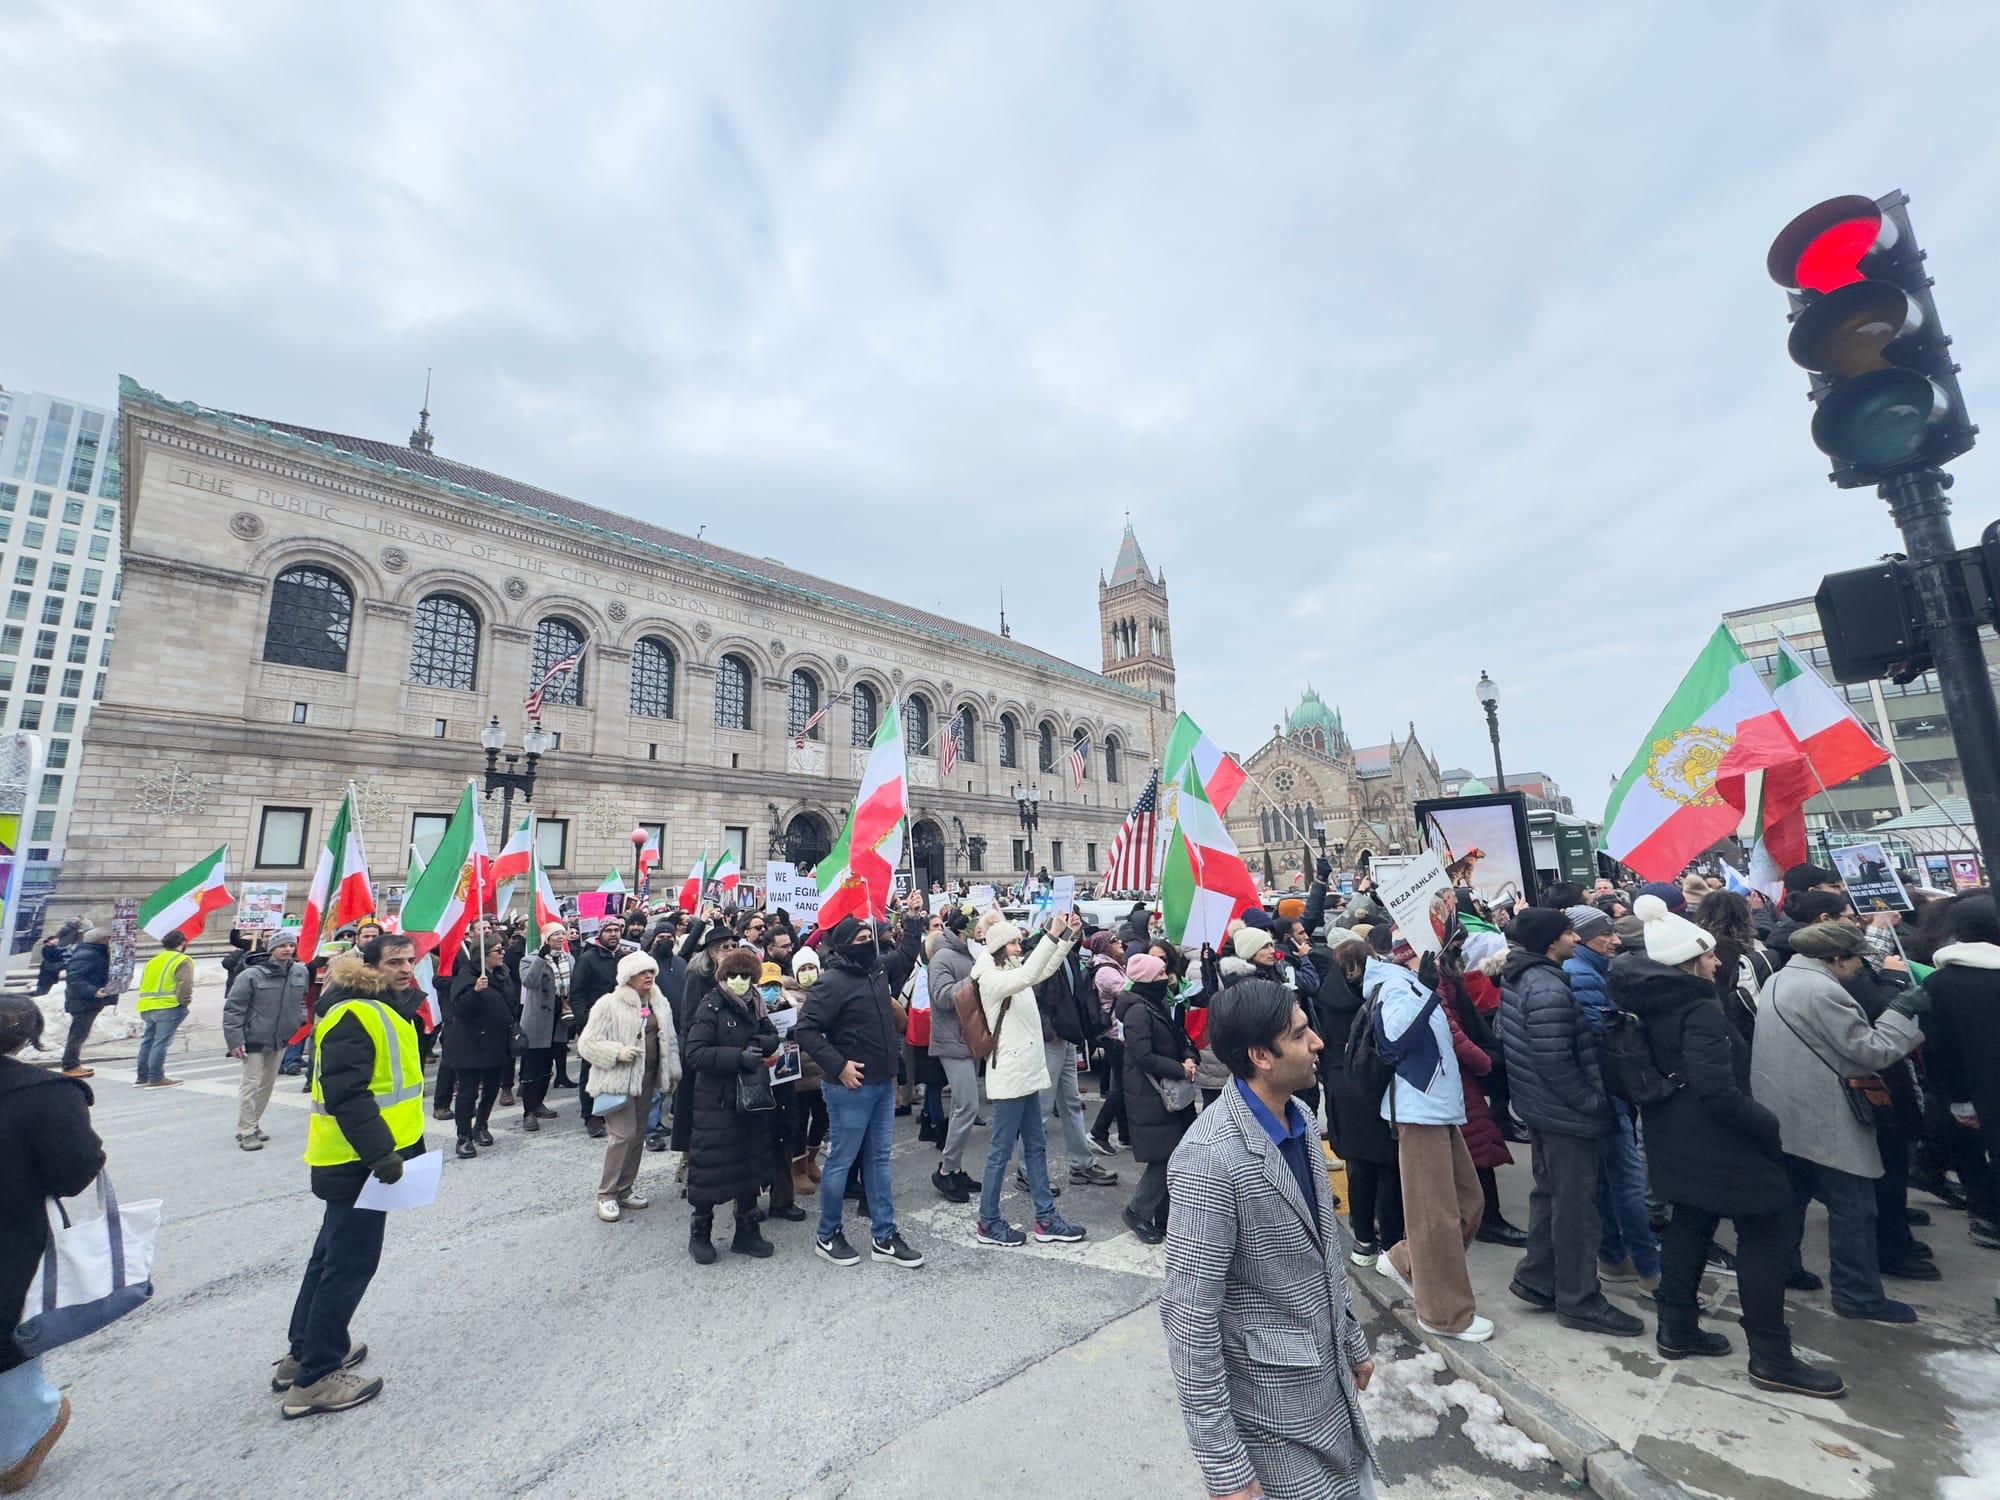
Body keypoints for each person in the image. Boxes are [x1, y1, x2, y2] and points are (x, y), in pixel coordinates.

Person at [1609, 896, 1844, 1397]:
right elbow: (1717, 1090)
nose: (1718, 961)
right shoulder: (1697, 1009)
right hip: (1720, 1141)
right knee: (1765, 1233)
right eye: (1710, 955)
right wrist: (1766, 1124)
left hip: (1675, 1134)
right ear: (1690, 962)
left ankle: (1676, 1329)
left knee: (1690, 1225)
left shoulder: (1649, 1000)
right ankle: (1771, 1356)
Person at [1161, 979, 1379, 1500]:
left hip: (1331, 1393)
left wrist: (1350, 1341)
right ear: (1261, 1056)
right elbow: (1190, 1321)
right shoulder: (1208, 1159)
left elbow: (1324, 1253)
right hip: (1271, 1421)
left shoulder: (1300, 1117)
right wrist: (1225, 1469)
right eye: (1301, 1034)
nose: (1317, 1043)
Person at [275, 936, 425, 1418]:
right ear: (370, 967)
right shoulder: (354, 1012)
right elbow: (348, 1093)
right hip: (359, 1159)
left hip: (364, 1155)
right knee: (349, 1263)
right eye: (394, 962)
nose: (405, 969)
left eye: (410, 960)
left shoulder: (378, 1006)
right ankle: (315, 1378)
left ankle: (304, 1352)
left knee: (329, 1256)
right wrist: (383, 1154)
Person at [1752, 919, 1926, 1323]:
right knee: (1855, 1208)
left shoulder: (1782, 978)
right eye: (1855, 961)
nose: (1859, 969)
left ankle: (1783, 1270)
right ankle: (1857, 1294)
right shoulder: (1822, 990)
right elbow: (1872, 1050)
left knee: (1792, 1200)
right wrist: (1900, 1010)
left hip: (1787, 1110)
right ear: (1835, 958)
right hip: (1824, 1114)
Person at [1500, 907, 1641, 1337]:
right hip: (1564, 1114)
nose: (1576, 940)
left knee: (1550, 1194)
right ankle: (1580, 1299)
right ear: (1549, 942)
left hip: (1542, 1109)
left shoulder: (1526, 975)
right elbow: (1555, 1060)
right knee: (1577, 1207)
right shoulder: (1545, 987)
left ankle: (1538, 1277)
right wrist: (1592, 1102)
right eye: (1568, 934)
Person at [0, 996, 104, 1491]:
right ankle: (22, 1436)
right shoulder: (45, 1094)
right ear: (26, 1038)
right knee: (9, 1331)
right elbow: (74, 1172)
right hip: (10, 1239)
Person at [1367, 935, 1491, 1342]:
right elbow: (1394, 1041)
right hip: (1418, 1112)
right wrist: (1423, 987)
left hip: (1437, 1109)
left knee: (1468, 1201)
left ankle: (1405, 1259)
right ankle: (1443, 1314)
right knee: (1434, 1215)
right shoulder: (1394, 986)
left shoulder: (1415, 984)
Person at [796, 915, 927, 1269]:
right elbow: (805, 1029)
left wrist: (913, 919)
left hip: (882, 1082)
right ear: (843, 945)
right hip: (849, 1088)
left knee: (879, 1161)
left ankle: (884, 1236)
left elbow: (904, 955)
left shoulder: (876, 970)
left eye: (871, 935)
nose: (869, 942)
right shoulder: (832, 982)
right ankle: (828, 1234)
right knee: (840, 1161)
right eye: (861, 937)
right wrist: (838, 1065)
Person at [971, 913, 1089, 1248]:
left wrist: (1066, 937)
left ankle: (1046, 1217)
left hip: (1024, 1072)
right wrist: (1052, 936)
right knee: (1000, 1150)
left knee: (1036, 1147)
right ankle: (988, 1221)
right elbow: (1030, 973)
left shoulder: (1008, 969)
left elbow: (1043, 970)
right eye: (1013, 942)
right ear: (997, 947)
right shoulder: (990, 978)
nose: (1019, 946)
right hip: (1010, 1075)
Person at [1563, 904, 1661, 1292]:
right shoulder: (1581, 975)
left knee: (1609, 1180)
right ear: (1583, 936)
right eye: (1606, 932)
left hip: (1601, 1093)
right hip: (1606, 1093)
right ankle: (1649, 1268)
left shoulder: (1590, 970)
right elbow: (1603, 1041)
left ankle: (1615, 1256)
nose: (1615, 939)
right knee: (1627, 1180)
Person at [681, 947, 782, 1261]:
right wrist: (736, 1057)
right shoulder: (710, 1004)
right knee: (711, 1168)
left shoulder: (756, 1004)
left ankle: (747, 1232)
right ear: (723, 976)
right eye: (734, 975)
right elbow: (695, 1053)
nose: (740, 981)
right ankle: (700, 1234)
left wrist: (757, 1044)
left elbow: (771, 1035)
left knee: (749, 1164)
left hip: (749, 1100)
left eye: (746, 976)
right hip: (717, 1102)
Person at [1922, 895, 2000, 1250]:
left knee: (1973, 1157)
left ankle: (1986, 1217)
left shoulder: (1940, 983)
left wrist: (1956, 1100)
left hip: (1973, 1092)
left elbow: (1938, 1049)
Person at [577, 950, 678, 1224]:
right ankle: (606, 1194)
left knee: (637, 1136)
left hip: (648, 1079)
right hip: (617, 1081)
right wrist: (616, 1052)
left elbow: (668, 1040)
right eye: (642, 972)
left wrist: (673, 1071)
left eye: (651, 972)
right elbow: (586, 1044)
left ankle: (625, 1189)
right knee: (622, 1135)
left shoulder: (659, 1001)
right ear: (627, 977)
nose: (648, 976)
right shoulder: (608, 1004)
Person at [1321, 938, 1403, 1266]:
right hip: (1371, 1083)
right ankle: (1392, 1247)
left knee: (1358, 1168)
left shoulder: (1326, 993)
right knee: (1387, 1167)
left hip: (1341, 1085)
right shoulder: (1375, 996)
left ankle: (1363, 1241)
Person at [1031, 918, 1118, 1192]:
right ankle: (1027, 1170)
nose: (1071, 928)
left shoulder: (1067, 953)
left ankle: (1082, 1164)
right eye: (1064, 924)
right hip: (1052, 1038)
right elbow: (1035, 995)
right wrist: (1049, 1031)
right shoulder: (1038, 952)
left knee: (1070, 1103)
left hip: (1066, 1038)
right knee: (1041, 1108)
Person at [1116, 952, 1195, 1244]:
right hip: (1151, 1093)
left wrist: (1187, 1057)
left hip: (1166, 1090)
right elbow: (1143, 1056)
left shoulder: (1154, 1003)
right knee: (1164, 1157)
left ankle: (1164, 1216)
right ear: (1148, 978)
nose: (1166, 978)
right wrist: (1180, 1068)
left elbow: (1176, 1038)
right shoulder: (1138, 1010)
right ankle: (1137, 1211)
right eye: (1161, 974)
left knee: (1173, 1155)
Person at [223, 931, 308, 1151]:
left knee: (267, 1085)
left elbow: (301, 1000)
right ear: (271, 949)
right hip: (254, 1037)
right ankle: (246, 1131)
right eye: (282, 946)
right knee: (250, 1084)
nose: (288, 949)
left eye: (291, 945)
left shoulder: (300, 971)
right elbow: (234, 1009)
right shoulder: (251, 975)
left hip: (280, 1037)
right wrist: (234, 1040)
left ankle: (253, 1122)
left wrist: (298, 1019)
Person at [442, 938, 517, 1159]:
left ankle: (481, 1125)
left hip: (496, 1040)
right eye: (498, 950)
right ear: (482, 954)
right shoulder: (467, 976)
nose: (502, 953)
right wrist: (474, 991)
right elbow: (459, 1010)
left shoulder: (502, 974)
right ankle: (463, 1136)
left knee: (492, 1087)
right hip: (471, 1043)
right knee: (468, 1092)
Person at [926, 907, 981, 1203]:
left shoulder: (968, 954)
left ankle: (955, 1167)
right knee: (967, 1106)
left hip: (969, 1039)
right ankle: (946, 1170)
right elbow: (943, 997)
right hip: (952, 1041)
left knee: (966, 1106)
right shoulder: (943, 957)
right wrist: (975, 978)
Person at [569, 917, 632, 1139]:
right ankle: (591, 1115)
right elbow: (576, 993)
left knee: (616, 1066)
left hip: (621, 1022)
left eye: (617, 930)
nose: (613, 934)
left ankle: (611, 1108)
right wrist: (585, 1022)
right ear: (601, 934)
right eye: (609, 930)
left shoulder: (624, 957)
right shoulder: (587, 959)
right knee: (591, 1070)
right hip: (596, 1024)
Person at [783, 949, 829, 1194]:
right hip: (799, 1071)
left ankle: (811, 1159)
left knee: (823, 1118)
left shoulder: (827, 991)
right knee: (799, 1121)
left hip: (825, 1068)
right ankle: (797, 1167)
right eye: (803, 969)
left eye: (811, 968)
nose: (808, 973)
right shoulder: (787, 996)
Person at [515, 924, 569, 1131]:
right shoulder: (529, 959)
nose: (560, 937)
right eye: (555, 934)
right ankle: (528, 1111)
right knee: (532, 1067)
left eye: (562, 933)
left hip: (559, 1019)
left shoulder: (568, 959)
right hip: (538, 1021)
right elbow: (529, 982)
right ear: (546, 938)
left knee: (548, 1066)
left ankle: (539, 1103)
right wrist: (541, 958)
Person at [133, 930, 195, 1088]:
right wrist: (184, 1002)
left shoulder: (154, 960)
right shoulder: (182, 960)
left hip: (147, 1006)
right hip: (168, 1006)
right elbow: (185, 984)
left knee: (148, 1042)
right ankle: (156, 1077)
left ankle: (142, 1077)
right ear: (182, 943)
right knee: (160, 1043)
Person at [1087, 931, 1130, 1154]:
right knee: (1121, 1087)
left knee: (1121, 1085)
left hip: (1116, 1033)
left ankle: (1125, 1134)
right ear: (1104, 947)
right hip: (1115, 1034)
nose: (1120, 942)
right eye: (1114, 941)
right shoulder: (1105, 971)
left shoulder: (1111, 966)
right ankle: (1098, 1131)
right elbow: (1129, 992)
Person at [56, 928, 116, 1079]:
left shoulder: (93, 952)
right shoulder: (89, 954)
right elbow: (75, 978)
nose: (109, 942)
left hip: (85, 1000)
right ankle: (70, 1065)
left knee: (80, 1033)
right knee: (78, 1034)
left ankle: (72, 1063)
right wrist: (94, 991)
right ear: (101, 940)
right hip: (83, 1001)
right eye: (107, 939)